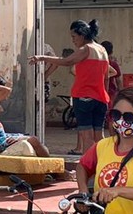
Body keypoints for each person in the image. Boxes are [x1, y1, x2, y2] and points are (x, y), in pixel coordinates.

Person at [30, 20, 115, 156]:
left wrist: (42, 58)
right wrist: (105, 96)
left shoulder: (85, 49)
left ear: (82, 35)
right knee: (99, 136)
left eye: (74, 37)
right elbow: (106, 77)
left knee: (87, 137)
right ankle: (105, 162)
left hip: (84, 97)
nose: (73, 40)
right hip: (101, 98)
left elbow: (67, 61)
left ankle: (88, 166)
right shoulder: (102, 50)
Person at [0, 73, 50, 157]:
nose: (4, 97)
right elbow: (6, 90)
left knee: (36, 142)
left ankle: (51, 163)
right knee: (34, 140)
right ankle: (52, 165)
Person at [101, 41, 122, 107]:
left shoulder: (97, 64)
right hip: (111, 92)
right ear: (112, 52)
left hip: (99, 92)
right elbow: (118, 80)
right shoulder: (113, 64)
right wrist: (121, 93)